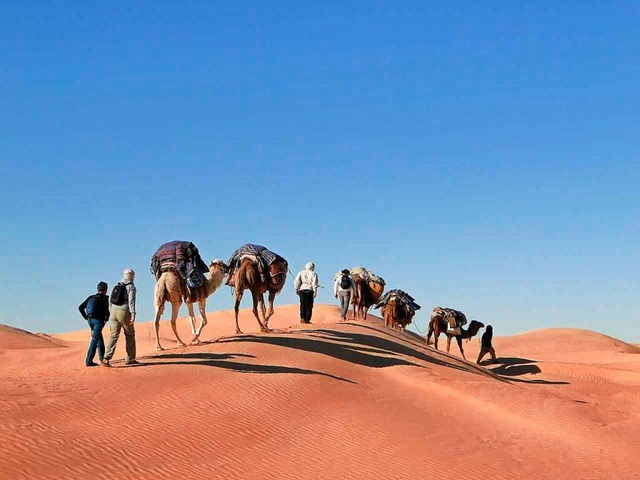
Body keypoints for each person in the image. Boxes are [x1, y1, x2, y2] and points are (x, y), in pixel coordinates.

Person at [102, 268, 138, 366]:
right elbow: (131, 301)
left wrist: (111, 312)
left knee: (113, 335)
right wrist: (133, 314)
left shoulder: (117, 285)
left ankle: (106, 358)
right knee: (130, 334)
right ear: (132, 276)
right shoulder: (131, 287)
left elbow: (110, 300)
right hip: (124, 310)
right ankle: (130, 358)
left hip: (113, 311)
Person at [78, 281, 110, 367]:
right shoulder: (105, 298)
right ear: (106, 290)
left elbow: (80, 307)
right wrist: (106, 319)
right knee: (95, 339)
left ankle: (102, 358)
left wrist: (86, 317)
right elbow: (107, 310)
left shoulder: (91, 297)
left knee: (99, 338)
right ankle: (89, 361)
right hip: (98, 321)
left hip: (90, 320)